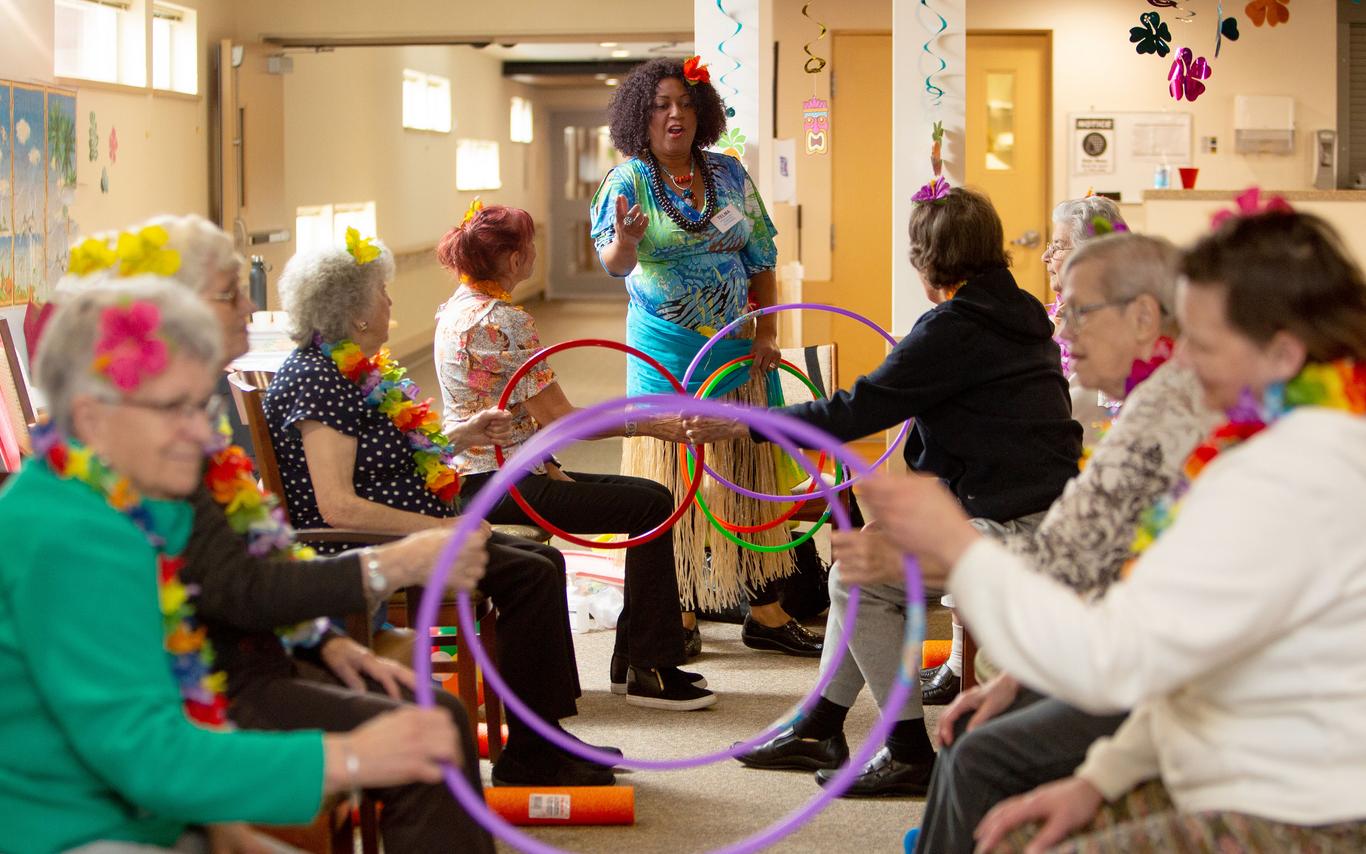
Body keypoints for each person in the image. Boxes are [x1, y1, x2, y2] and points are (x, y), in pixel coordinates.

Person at [854, 208, 1366, 852]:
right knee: (1008, 816)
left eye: (1202, 347)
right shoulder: (1288, 442)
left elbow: (1117, 660)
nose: (1186, 368)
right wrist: (1099, 779)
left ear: (1284, 353)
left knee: (1002, 804)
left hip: (1295, 807)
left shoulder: (1284, 474)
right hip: (1215, 749)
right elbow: (1186, 662)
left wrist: (958, 548)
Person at [58, 214, 499, 852]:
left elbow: (251, 552)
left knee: (438, 718)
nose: (251, 306)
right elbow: (235, 586)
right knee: (427, 731)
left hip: (255, 655)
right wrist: (395, 565)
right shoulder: (141, 444)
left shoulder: (190, 414)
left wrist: (322, 640)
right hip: (211, 683)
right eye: (231, 292)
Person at [689, 184, 1083, 795]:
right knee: (868, 555)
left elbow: (857, 408)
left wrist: (748, 423)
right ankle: (820, 723)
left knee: (858, 577)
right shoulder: (1020, 311)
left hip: (1016, 532)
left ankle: (906, 753)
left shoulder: (955, 329)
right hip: (1041, 513)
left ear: (928, 261)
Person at [836, 232, 1217, 852]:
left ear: (1145, 318)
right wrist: (1016, 678)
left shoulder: (1176, 413)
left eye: (1077, 312)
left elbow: (1132, 600)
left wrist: (949, 544)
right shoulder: (1154, 403)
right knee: (974, 739)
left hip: (1173, 684)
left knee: (981, 755)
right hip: (1129, 654)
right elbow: (1078, 558)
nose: (1061, 332)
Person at [265, 233, 615, 787]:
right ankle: (533, 754)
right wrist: (440, 529)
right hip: (365, 547)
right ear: (353, 313)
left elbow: (394, 456)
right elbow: (334, 506)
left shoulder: (355, 371)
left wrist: (461, 433)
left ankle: (544, 736)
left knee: (543, 564)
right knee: (529, 572)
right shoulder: (318, 382)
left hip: (407, 533)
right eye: (381, 294)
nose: (389, 304)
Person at [433, 201, 715, 711]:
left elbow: (521, 414)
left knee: (651, 497)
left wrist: (550, 464)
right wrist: (652, 425)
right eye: (531, 244)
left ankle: (641, 660)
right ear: (516, 259)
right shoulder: (503, 321)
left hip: (491, 475)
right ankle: (648, 665)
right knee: (651, 506)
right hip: (500, 483)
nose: (535, 252)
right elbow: (563, 418)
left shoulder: (454, 309)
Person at [591, 55, 819, 658]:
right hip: (665, 355)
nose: (676, 115)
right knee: (675, 481)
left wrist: (767, 333)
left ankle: (765, 610)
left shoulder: (730, 173)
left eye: (687, 105)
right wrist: (629, 241)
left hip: (737, 350)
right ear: (642, 115)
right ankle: (683, 610)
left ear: (703, 114)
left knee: (745, 476)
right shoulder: (627, 181)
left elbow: (762, 256)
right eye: (663, 104)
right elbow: (613, 265)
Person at [1043, 195, 1128, 448]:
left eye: (1057, 246)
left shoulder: (1110, 324)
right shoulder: (1058, 317)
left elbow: (1097, 417)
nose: (1045, 256)